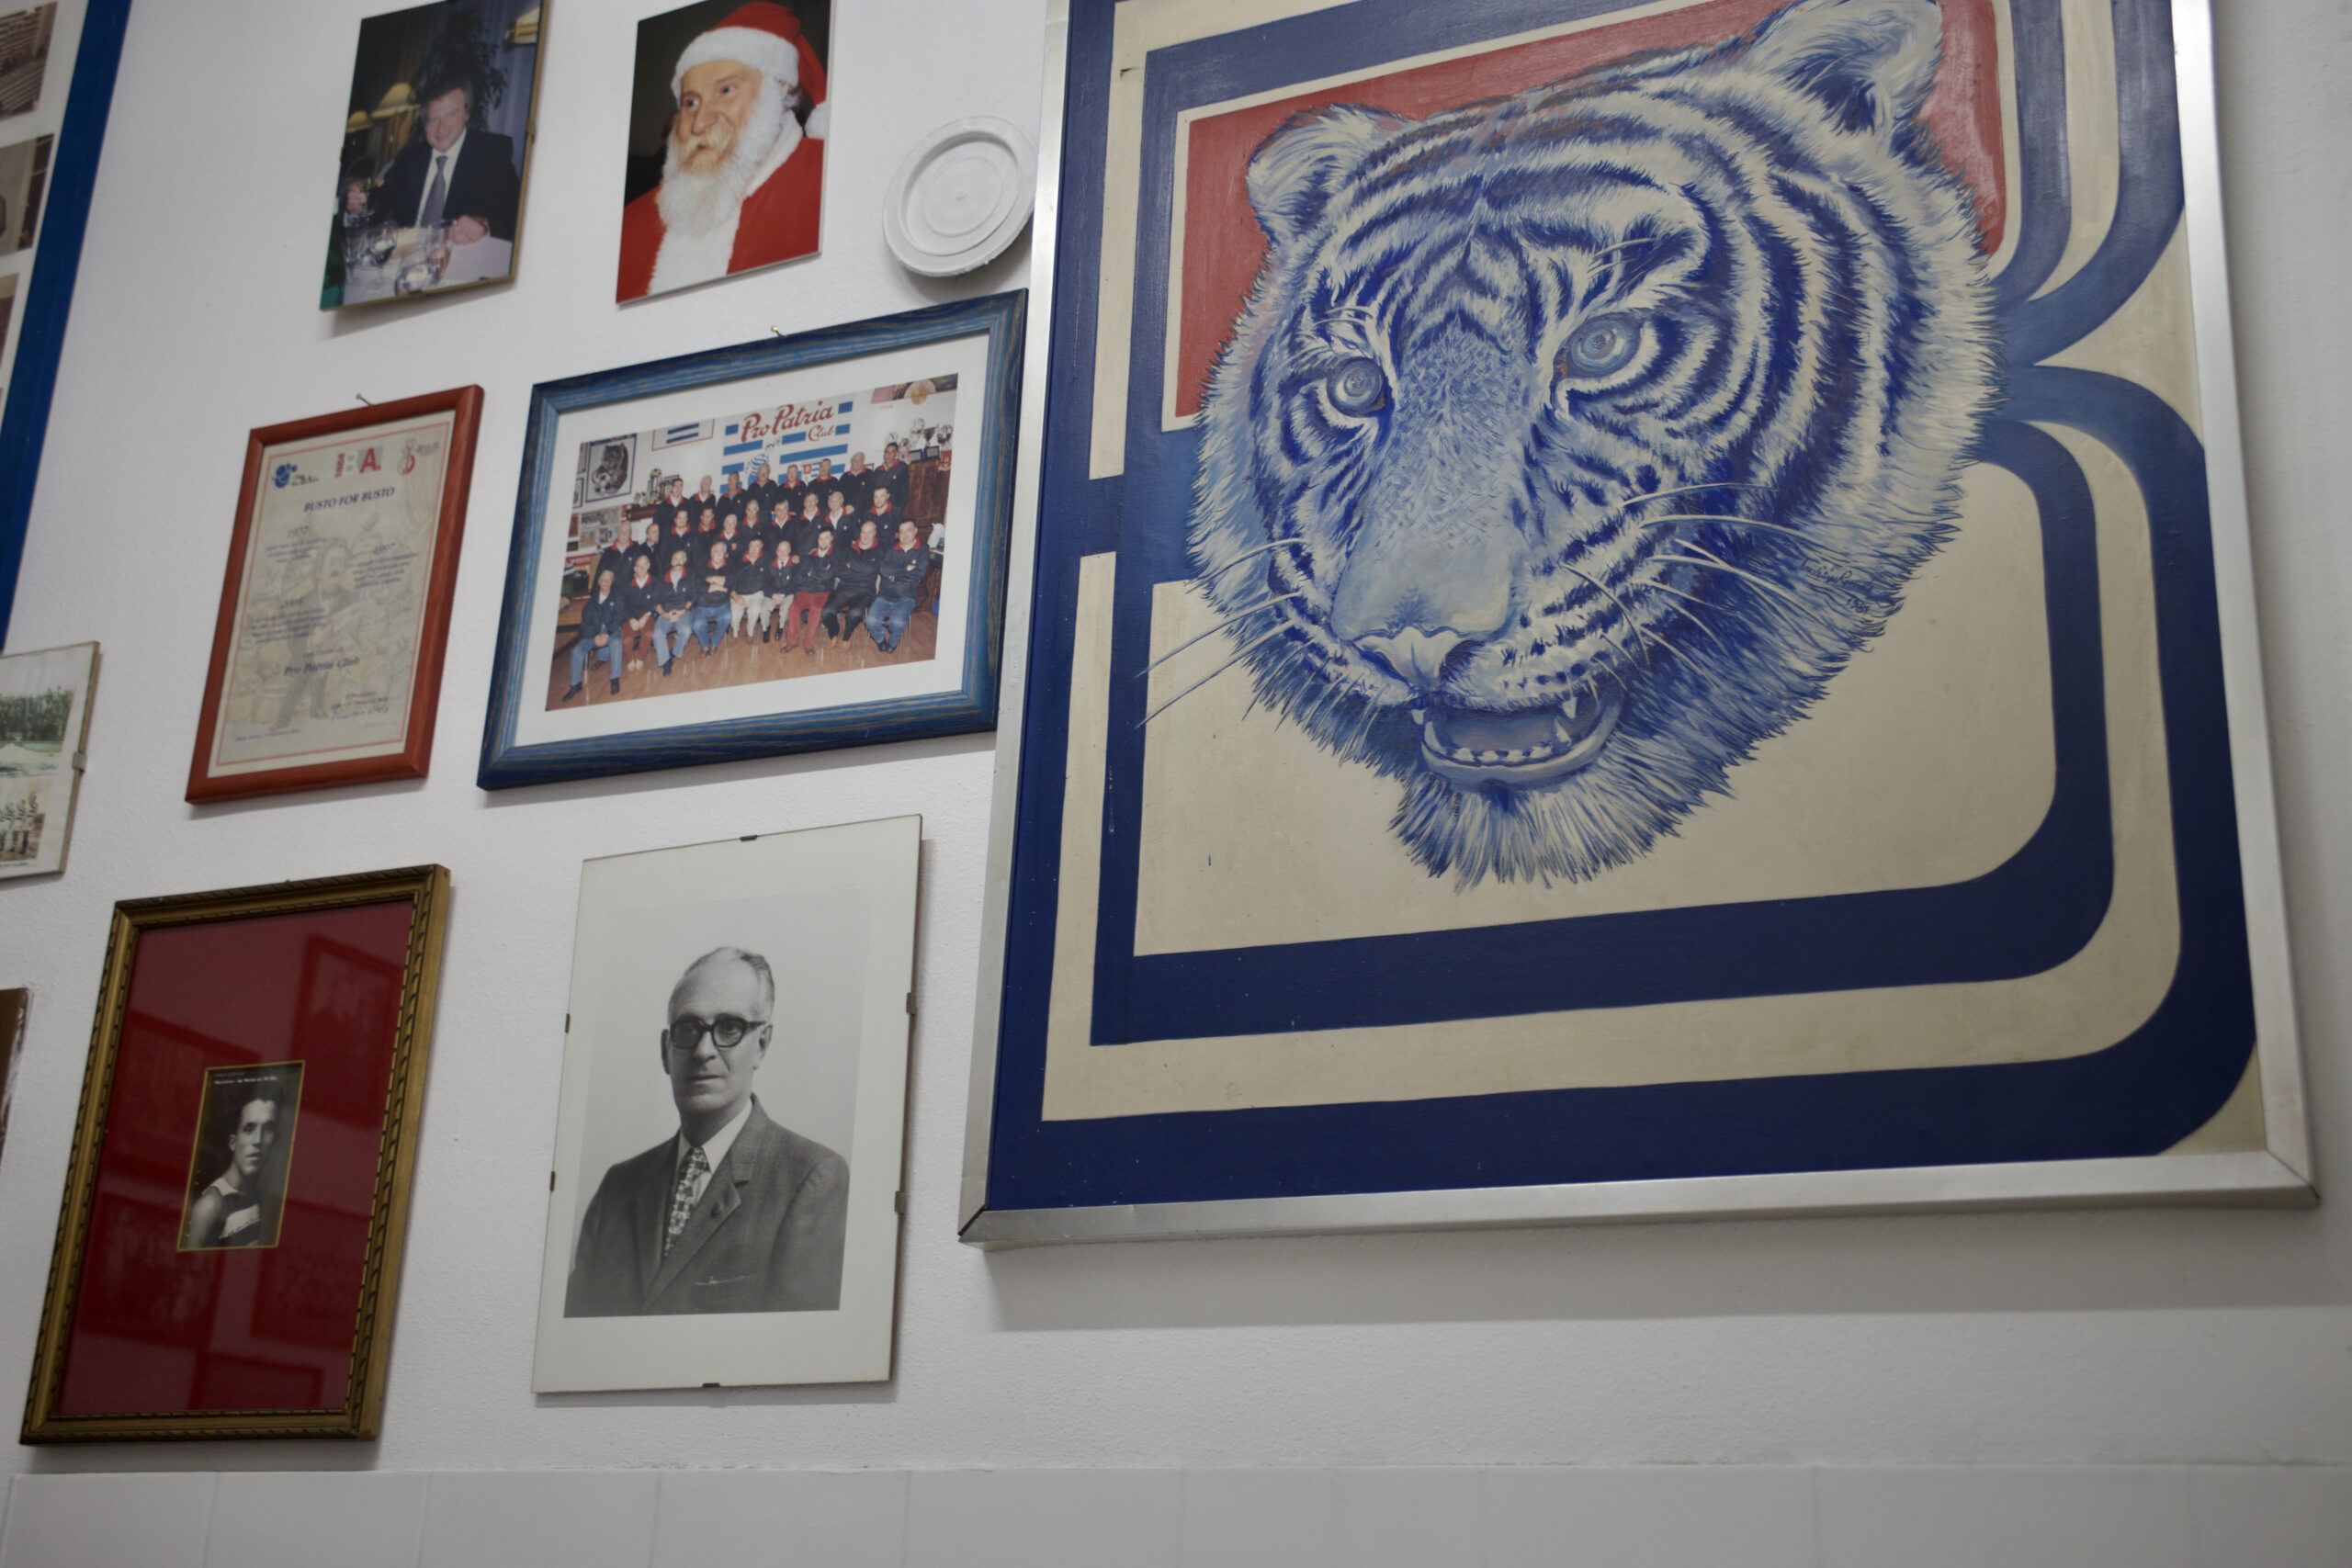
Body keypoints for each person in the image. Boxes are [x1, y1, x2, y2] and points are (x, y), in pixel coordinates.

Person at [564, 947, 848, 1316]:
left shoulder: (811, 1180)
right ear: (666, 1051)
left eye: (729, 1028)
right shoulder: (617, 1189)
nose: (702, 1051)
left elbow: (799, 1344)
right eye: (688, 1029)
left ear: (762, 1045)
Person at [616, 3, 831, 300]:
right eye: (691, 102)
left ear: (779, 90)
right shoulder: (630, 224)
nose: (699, 123)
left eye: (726, 91)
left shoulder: (828, 184)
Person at [363, 79, 520, 243]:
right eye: (434, 119)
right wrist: (359, 204)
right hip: (409, 251)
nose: (442, 128)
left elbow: (517, 212)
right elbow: (379, 204)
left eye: (451, 114)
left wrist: (485, 223)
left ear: (466, 115)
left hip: (462, 253)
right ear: (425, 125)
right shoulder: (409, 158)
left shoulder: (492, 153)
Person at [181, 1080, 289, 1249]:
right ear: (233, 1142)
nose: (258, 1140)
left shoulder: (261, 1199)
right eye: (249, 1129)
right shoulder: (211, 1206)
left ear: (275, 1140)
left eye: (268, 1129)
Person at [865, 518, 932, 654]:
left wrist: (894, 575)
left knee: (896, 623)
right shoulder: (891, 549)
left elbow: (919, 574)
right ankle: (880, 640)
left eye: (908, 530)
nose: (905, 534)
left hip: (906, 595)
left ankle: (893, 642)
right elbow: (883, 570)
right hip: (886, 593)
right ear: (898, 534)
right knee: (870, 621)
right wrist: (906, 568)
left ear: (915, 531)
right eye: (901, 531)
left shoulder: (923, 550)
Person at [565, 566, 630, 700]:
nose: (606, 582)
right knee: (577, 651)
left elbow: (618, 617)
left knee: (617, 643)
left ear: (612, 582)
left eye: (609, 580)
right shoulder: (592, 601)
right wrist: (594, 636)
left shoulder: (617, 596)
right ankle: (575, 685)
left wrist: (607, 634)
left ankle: (614, 679)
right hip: (593, 633)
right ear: (599, 582)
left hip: (611, 631)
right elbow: (585, 623)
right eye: (603, 580)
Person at [824, 518, 883, 643]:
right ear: (860, 533)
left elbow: (871, 569)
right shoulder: (848, 549)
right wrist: (861, 570)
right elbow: (839, 571)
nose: (866, 536)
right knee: (826, 612)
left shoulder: (879, 551)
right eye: (863, 532)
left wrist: (851, 564)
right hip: (844, 589)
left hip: (864, 591)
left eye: (869, 532)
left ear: (875, 533)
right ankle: (835, 631)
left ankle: (847, 635)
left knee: (854, 613)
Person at [780, 526, 836, 652]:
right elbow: (800, 577)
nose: (823, 542)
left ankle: (808, 644)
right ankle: (792, 641)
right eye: (821, 538)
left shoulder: (835, 556)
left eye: (826, 538)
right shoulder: (809, 556)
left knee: (816, 611)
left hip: (822, 592)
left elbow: (828, 576)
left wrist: (811, 574)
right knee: (793, 609)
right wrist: (819, 575)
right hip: (805, 590)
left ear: (831, 539)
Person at [650, 544, 697, 677]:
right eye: (675, 559)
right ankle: (665, 662)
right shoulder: (662, 579)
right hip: (666, 612)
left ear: (685, 561)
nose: (678, 561)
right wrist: (665, 614)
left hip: (684, 611)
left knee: (686, 630)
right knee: (657, 634)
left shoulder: (690, 576)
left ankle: (674, 653)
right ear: (671, 561)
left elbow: (693, 597)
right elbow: (656, 602)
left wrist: (683, 611)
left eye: (681, 558)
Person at [691, 539, 734, 652]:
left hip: (722, 604)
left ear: (725, 554)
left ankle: (714, 643)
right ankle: (705, 645)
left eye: (721, 551)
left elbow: (730, 583)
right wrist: (720, 587)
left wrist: (711, 580)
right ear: (711, 554)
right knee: (697, 625)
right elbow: (697, 586)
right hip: (702, 605)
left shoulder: (730, 567)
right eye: (716, 551)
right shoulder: (701, 567)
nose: (718, 554)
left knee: (727, 617)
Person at [729, 536, 775, 641]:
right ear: (748, 547)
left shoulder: (767, 559)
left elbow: (771, 577)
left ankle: (750, 633)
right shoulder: (738, 561)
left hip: (756, 594)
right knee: (735, 614)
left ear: (761, 546)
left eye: (757, 546)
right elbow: (730, 582)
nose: (754, 549)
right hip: (739, 594)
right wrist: (735, 596)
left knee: (755, 610)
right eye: (751, 546)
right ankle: (735, 633)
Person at [622, 551, 659, 669]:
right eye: (638, 566)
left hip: (647, 615)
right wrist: (630, 619)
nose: (642, 568)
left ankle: (640, 658)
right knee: (627, 640)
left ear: (648, 566)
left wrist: (646, 616)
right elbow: (622, 606)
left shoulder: (655, 582)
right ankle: (629, 660)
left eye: (644, 565)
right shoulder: (627, 585)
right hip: (630, 617)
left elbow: (656, 602)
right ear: (635, 569)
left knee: (649, 634)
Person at [873, 442, 911, 515]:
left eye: (892, 452)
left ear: (896, 454)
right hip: (880, 508)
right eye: (887, 452)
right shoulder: (877, 471)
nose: (888, 455)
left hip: (895, 508)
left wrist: (899, 510)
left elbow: (904, 491)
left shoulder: (901, 467)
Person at [838, 451, 875, 517]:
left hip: (866, 513)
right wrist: (846, 505)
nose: (857, 462)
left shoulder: (870, 474)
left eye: (859, 460)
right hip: (848, 513)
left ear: (863, 461)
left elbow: (873, 494)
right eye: (855, 460)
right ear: (851, 462)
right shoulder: (844, 477)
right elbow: (840, 496)